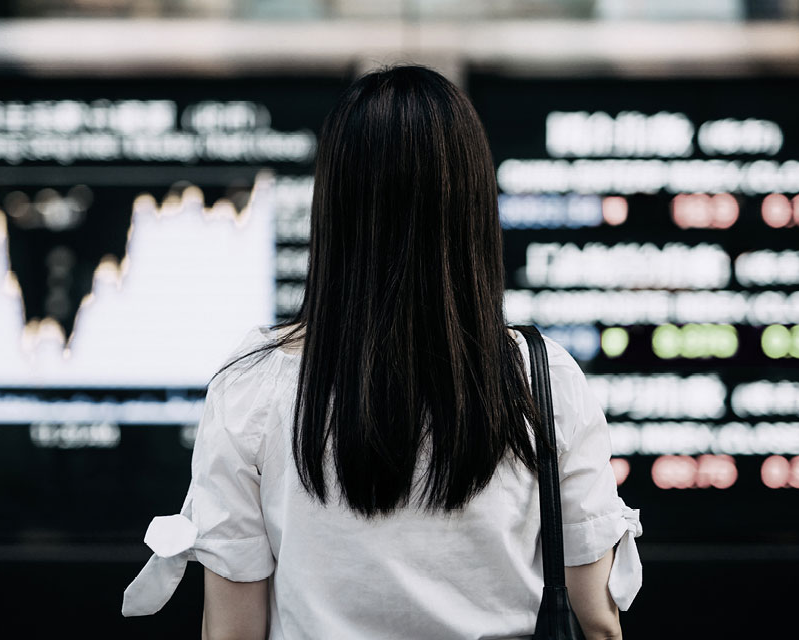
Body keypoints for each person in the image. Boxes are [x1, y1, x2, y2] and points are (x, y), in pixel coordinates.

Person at [122, 64, 642, 639]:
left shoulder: (254, 385)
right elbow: (597, 623)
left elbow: (233, 632)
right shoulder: (543, 381)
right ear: (471, 208)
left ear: (334, 208)